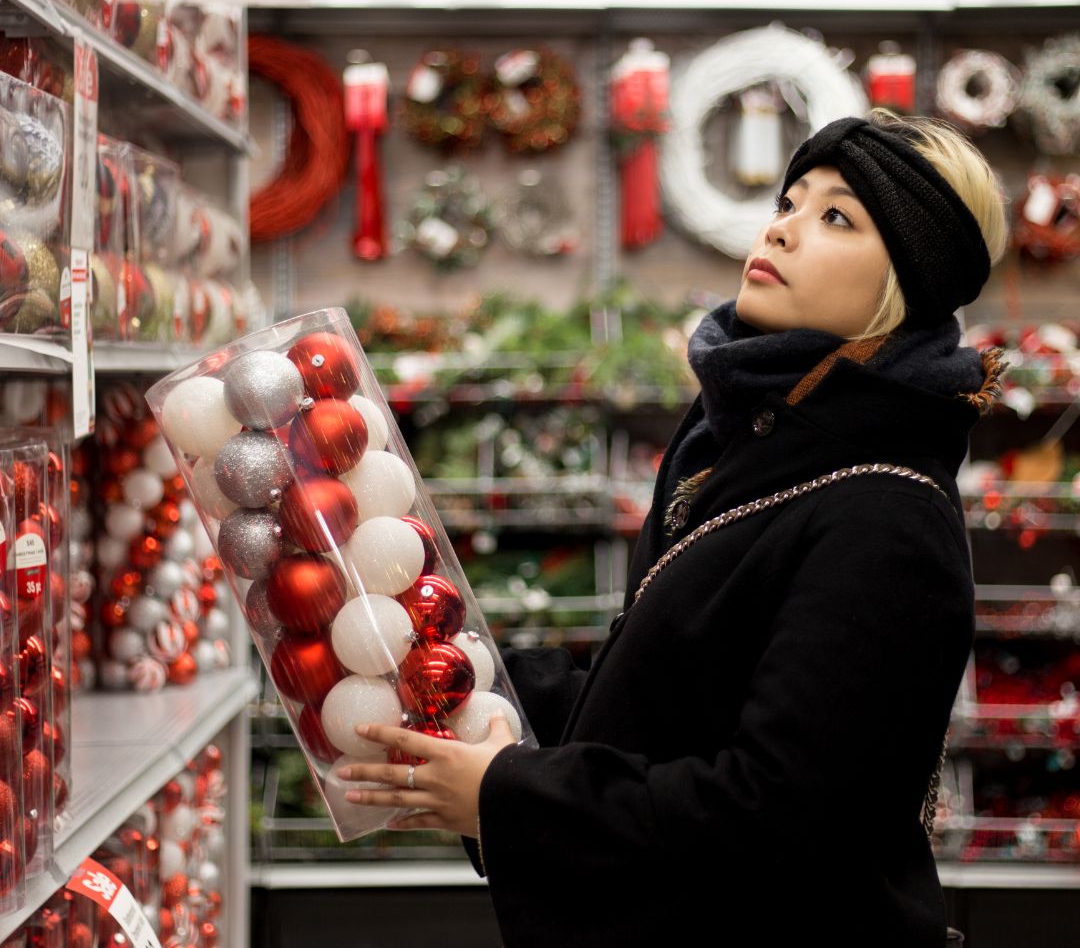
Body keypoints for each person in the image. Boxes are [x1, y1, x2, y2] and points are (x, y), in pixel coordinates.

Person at [338, 109, 1009, 947]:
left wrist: (509, 795)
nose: (786, 229)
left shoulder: (885, 517)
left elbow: (775, 816)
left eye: (837, 216)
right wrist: (472, 683)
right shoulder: (746, 443)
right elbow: (669, 704)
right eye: (791, 201)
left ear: (908, 278)